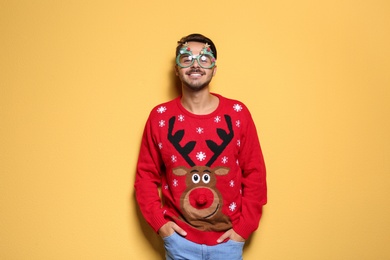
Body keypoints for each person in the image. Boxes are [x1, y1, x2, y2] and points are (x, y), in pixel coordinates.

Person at [135, 33, 267, 260]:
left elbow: (255, 173)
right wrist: (162, 226)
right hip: (179, 244)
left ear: (214, 68)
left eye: (204, 58)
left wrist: (243, 229)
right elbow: (145, 176)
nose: (195, 64)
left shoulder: (237, 114)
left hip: (228, 243)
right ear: (177, 69)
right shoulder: (160, 117)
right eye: (186, 58)